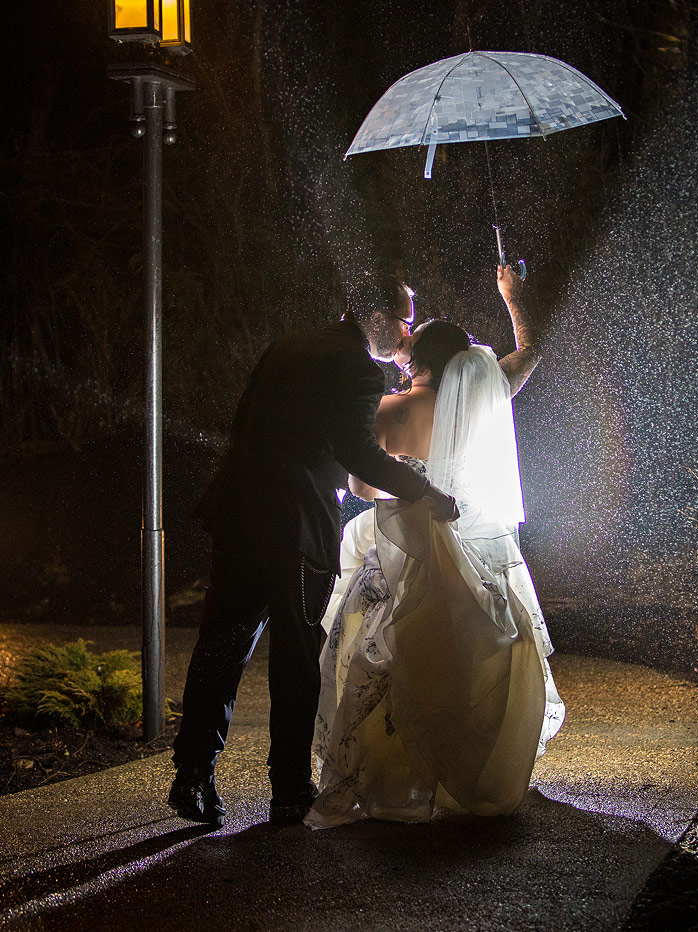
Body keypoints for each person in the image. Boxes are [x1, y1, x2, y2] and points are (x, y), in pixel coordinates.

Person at [168, 273, 458, 829]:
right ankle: (289, 791)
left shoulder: (289, 344)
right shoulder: (356, 369)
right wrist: (426, 492)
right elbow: (362, 456)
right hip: (296, 526)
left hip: (238, 512)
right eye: (402, 320)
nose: (404, 337)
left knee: (219, 646)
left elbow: (243, 420)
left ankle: (193, 773)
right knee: (297, 656)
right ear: (374, 317)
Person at [307, 264, 565, 828]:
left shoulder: (388, 410)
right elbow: (529, 354)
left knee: (386, 663)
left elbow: (360, 486)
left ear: (415, 361)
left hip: (403, 558)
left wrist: (411, 489)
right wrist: (514, 298)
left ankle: (394, 774)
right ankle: (470, 764)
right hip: (470, 553)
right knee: (469, 659)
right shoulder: (481, 401)